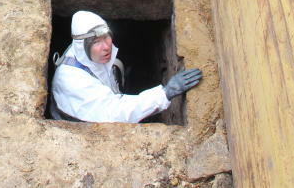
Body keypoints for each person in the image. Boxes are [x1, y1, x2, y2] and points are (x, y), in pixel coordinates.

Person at [50, 10, 202, 122]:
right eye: (96, 42)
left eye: (106, 37)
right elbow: (115, 112)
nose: (106, 47)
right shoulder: (71, 81)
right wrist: (165, 93)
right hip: (83, 130)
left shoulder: (88, 55)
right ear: (81, 46)